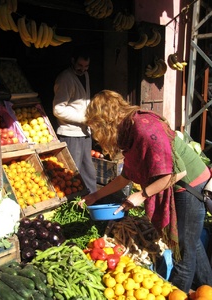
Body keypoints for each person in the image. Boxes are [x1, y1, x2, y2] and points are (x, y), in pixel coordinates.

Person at [79, 89, 212, 293]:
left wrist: (141, 195)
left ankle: (175, 295)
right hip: (180, 184)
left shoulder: (143, 129)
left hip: (189, 186)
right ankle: (208, 289)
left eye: (96, 127)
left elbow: (175, 173)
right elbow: (126, 176)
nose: (96, 135)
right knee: (191, 244)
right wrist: (96, 195)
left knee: (182, 255)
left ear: (106, 119)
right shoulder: (130, 134)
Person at [53, 47, 97, 193]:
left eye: (86, 66)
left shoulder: (86, 76)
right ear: (72, 61)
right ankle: (72, 201)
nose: (82, 69)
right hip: (70, 134)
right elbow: (58, 109)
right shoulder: (65, 78)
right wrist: (85, 119)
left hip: (85, 132)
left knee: (88, 170)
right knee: (72, 171)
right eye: (79, 65)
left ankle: (92, 198)